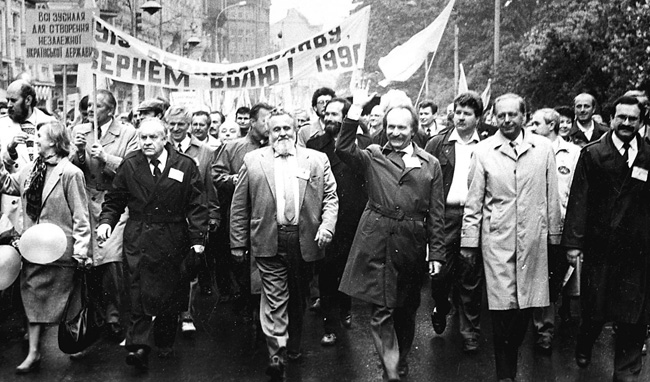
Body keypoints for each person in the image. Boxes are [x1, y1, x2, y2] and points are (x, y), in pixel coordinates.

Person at [336, 88, 445, 381]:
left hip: (411, 241)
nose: (396, 133)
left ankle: (399, 357)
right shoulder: (373, 155)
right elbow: (344, 149)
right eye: (391, 127)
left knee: (406, 309)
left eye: (402, 127)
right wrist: (355, 109)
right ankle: (392, 370)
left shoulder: (430, 164)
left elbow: (436, 213)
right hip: (376, 238)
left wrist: (436, 253)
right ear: (385, 129)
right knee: (381, 309)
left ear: (413, 130)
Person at [230, 111, 338, 380]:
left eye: (287, 128)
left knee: (298, 296)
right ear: (268, 132)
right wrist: (238, 242)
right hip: (268, 239)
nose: (282, 133)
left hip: (304, 241)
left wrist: (326, 226)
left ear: (296, 128)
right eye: (276, 129)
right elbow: (239, 206)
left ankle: (293, 345)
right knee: (275, 297)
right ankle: (276, 353)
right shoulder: (253, 160)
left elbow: (331, 198)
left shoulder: (316, 160)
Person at [461, 93, 561, 382]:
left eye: (512, 115)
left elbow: (551, 197)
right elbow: (474, 201)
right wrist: (469, 243)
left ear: (523, 116)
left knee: (524, 311)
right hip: (497, 243)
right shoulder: (483, 152)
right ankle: (505, 375)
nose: (506, 120)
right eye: (501, 115)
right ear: (494, 117)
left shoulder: (542, 149)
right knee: (502, 312)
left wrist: (554, 239)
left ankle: (509, 362)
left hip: (533, 243)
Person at [97, 118, 208, 370]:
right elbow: (115, 200)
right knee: (137, 288)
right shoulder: (130, 164)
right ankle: (139, 346)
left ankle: (165, 340)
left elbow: (197, 205)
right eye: (143, 137)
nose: (147, 142)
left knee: (169, 291)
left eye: (153, 137)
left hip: (173, 236)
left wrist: (198, 241)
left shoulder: (185, 165)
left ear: (165, 137)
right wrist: (106, 222)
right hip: (139, 234)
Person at [562, 95, 650, 381]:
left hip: (637, 250)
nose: (626, 124)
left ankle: (625, 372)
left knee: (633, 316)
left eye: (632, 119)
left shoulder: (648, 154)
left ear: (641, 121)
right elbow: (578, 200)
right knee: (595, 311)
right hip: (601, 248)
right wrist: (573, 244)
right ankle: (585, 340)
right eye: (621, 118)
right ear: (611, 118)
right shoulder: (593, 154)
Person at [0, 121, 91, 373]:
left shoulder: (71, 173)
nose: (35, 139)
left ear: (53, 141)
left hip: (61, 252)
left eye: (39, 136)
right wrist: (4, 155)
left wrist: (82, 251)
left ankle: (75, 341)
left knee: (68, 303)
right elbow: (7, 185)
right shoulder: (31, 170)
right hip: (33, 248)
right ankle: (33, 353)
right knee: (32, 299)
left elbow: (81, 216)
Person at [70, 89, 139, 346]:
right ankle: (96, 315)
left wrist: (105, 157)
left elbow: (132, 168)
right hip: (86, 202)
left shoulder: (128, 133)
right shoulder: (79, 130)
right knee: (89, 262)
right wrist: (78, 152)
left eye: (97, 106)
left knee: (111, 259)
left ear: (111, 110)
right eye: (89, 105)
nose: (90, 110)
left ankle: (114, 316)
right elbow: (70, 169)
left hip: (114, 204)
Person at [424, 91, 485, 354]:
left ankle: (470, 331)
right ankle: (441, 304)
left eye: (467, 113)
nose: (460, 117)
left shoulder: (486, 145)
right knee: (440, 272)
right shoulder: (437, 144)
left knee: (470, 275)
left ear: (477, 118)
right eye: (458, 112)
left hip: (473, 216)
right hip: (443, 216)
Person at [306, 97, 370, 346]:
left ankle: (345, 308)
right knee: (327, 272)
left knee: (348, 269)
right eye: (327, 114)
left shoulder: (364, 143)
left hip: (354, 218)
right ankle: (330, 324)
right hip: (325, 218)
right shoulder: (315, 144)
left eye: (336, 114)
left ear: (347, 118)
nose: (329, 118)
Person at [164, 105, 220, 335]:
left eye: (181, 124)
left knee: (191, 267)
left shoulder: (205, 151)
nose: (176, 129)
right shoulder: (161, 147)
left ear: (189, 126)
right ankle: (166, 312)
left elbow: (209, 186)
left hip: (193, 218)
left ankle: (187, 312)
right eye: (172, 124)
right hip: (166, 219)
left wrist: (214, 214)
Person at [212, 103, 273, 312]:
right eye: (265, 120)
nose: (269, 125)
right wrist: (235, 179)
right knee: (242, 265)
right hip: (240, 215)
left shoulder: (276, 147)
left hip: (268, 217)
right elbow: (216, 176)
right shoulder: (233, 147)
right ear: (252, 122)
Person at [529, 107, 580, 354]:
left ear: (551, 125)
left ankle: (546, 327)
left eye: (536, 123)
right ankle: (542, 330)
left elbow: (578, 193)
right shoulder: (527, 150)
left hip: (560, 227)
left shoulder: (573, 153)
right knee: (537, 279)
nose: (531, 126)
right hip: (531, 227)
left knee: (552, 281)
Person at [0, 79, 56, 234]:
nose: (9, 105)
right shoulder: (1, 125)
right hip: (12, 204)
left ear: (28, 100)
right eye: (7, 101)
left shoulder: (51, 123)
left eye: (13, 100)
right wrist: (10, 153)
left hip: (44, 203)